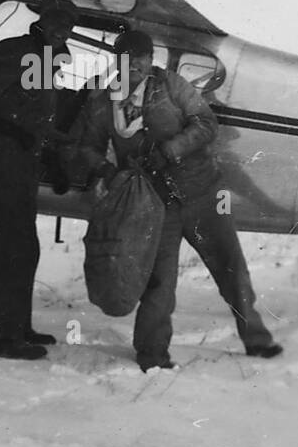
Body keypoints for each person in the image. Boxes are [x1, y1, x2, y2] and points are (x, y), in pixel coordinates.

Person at [69, 30, 283, 371]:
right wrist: (108, 173)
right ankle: (152, 355)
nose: (134, 65)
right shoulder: (103, 100)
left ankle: (257, 340)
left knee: (232, 270)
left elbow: (206, 124)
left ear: (149, 59)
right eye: (126, 58)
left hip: (203, 196)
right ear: (117, 60)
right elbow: (86, 147)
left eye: (140, 58)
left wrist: (170, 150)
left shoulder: (172, 86)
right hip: (154, 208)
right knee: (159, 283)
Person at [0, 3, 76, 360]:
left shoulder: (44, 62)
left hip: (21, 162)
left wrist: (53, 156)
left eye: (67, 27)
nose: (60, 31)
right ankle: (0, 339)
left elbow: (34, 117)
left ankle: (17, 327)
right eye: (55, 23)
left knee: (24, 248)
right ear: (43, 21)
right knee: (7, 248)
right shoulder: (17, 52)